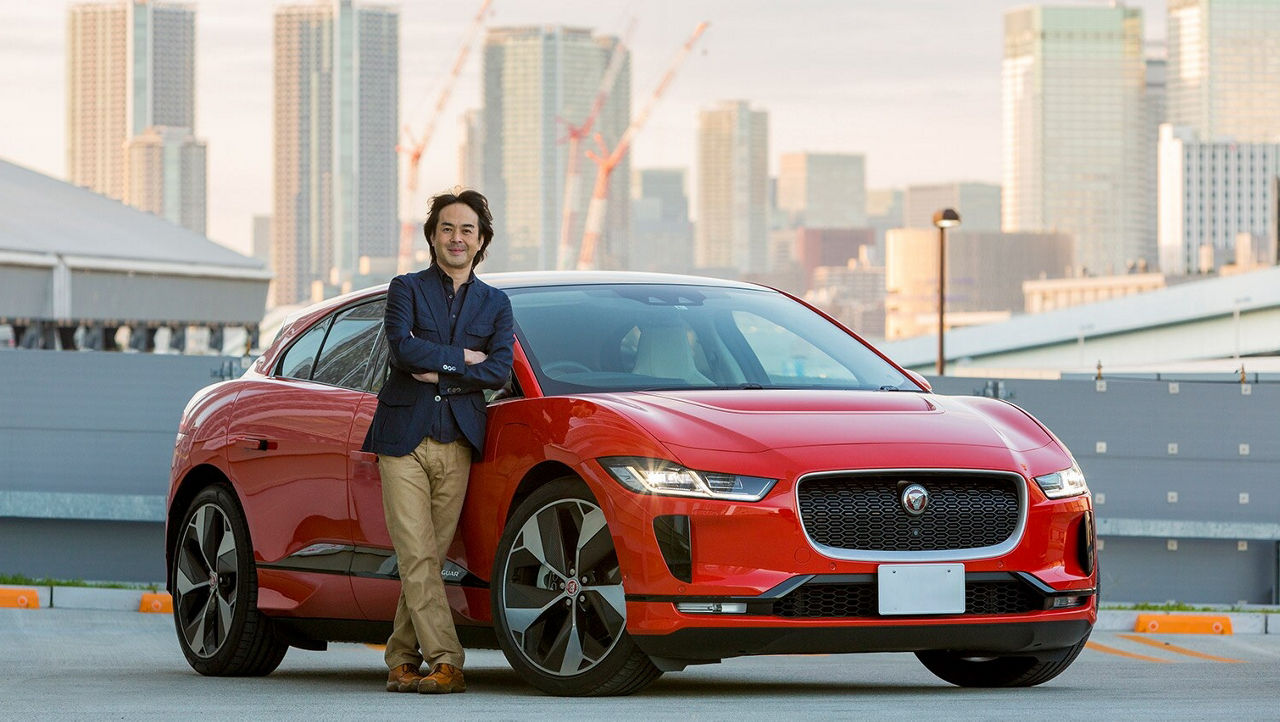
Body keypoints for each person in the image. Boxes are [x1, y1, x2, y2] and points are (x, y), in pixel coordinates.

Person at [362, 188, 514, 695]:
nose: (456, 237)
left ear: (481, 240)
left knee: (426, 554)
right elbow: (403, 350)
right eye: (447, 228)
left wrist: (445, 370)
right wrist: (463, 359)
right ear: (432, 236)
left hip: (458, 441)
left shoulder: (496, 303)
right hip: (402, 439)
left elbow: (498, 368)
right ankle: (447, 660)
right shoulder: (405, 287)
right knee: (418, 552)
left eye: (467, 230)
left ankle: (401, 658)